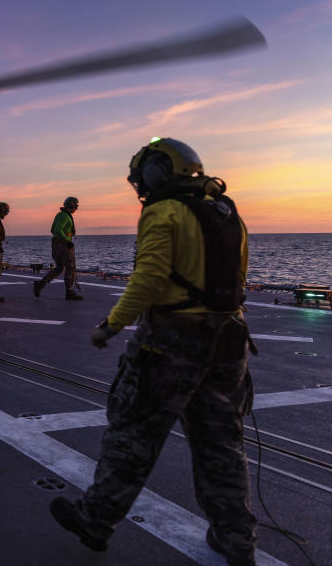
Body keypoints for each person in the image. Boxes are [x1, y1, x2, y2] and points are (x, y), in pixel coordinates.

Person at [49, 138, 256, 566]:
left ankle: (96, 519)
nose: (140, 184)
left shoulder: (163, 211)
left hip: (172, 341)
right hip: (230, 339)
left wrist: (111, 325)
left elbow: (149, 278)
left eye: (143, 175)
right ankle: (236, 537)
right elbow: (240, 276)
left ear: (159, 173)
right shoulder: (226, 211)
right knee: (221, 443)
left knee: (133, 435)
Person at [33, 196, 82, 300]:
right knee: (70, 267)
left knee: (59, 268)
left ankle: (40, 284)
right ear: (72, 205)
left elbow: (53, 229)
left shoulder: (61, 215)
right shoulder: (64, 216)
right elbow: (57, 230)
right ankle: (69, 292)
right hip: (63, 245)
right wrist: (67, 241)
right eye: (76, 206)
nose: (76, 209)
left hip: (57, 244)